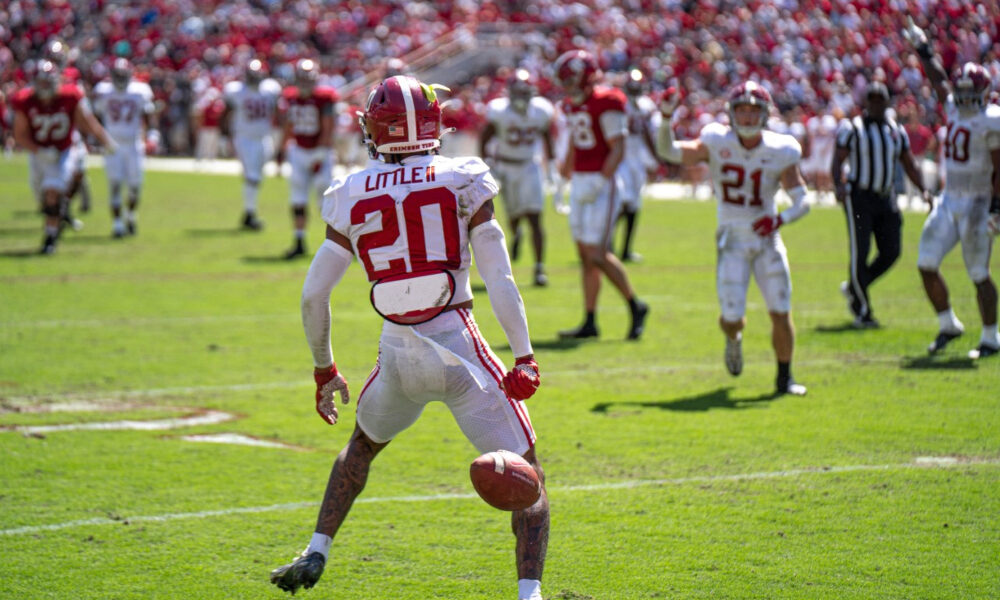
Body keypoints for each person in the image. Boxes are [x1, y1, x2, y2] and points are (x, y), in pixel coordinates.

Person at [269, 75, 548, 600]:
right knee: (527, 479)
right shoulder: (462, 176)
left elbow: (313, 296)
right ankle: (528, 595)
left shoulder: (349, 191)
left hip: (397, 351)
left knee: (360, 449)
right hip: (458, 343)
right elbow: (500, 276)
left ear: (375, 128)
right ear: (433, 122)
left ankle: (316, 548)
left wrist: (324, 369)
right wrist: (525, 355)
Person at [656, 81, 810, 396]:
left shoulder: (781, 149)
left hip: (767, 239)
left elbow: (802, 200)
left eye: (754, 111)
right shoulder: (715, 140)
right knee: (731, 318)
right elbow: (669, 151)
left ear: (765, 114)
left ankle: (784, 378)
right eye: (742, 110)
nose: (748, 117)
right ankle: (733, 338)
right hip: (731, 240)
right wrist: (665, 118)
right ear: (731, 113)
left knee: (780, 310)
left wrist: (780, 218)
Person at [904, 20, 1000, 359]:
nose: (964, 98)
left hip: (977, 202)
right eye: (961, 93)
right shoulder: (954, 107)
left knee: (978, 273)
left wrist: (997, 209)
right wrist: (923, 47)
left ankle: (991, 337)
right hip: (949, 200)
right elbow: (938, 79)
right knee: (926, 262)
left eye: (970, 93)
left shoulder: (992, 119)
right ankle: (948, 324)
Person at [553, 49, 649, 340]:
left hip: (602, 182)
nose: (567, 87)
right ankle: (590, 320)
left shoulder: (608, 102)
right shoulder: (571, 105)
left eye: (571, 80)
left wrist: (600, 180)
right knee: (585, 256)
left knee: (596, 253)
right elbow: (573, 142)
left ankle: (636, 305)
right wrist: (563, 175)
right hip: (581, 180)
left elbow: (617, 148)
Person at [830, 81, 930, 328]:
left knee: (892, 251)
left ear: (887, 103)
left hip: (886, 198)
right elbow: (838, 159)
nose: (875, 104)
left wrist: (924, 190)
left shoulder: (896, 130)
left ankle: (855, 286)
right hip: (860, 198)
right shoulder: (852, 128)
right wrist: (838, 185)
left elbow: (909, 163)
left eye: (879, 100)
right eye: (871, 99)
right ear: (865, 102)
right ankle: (862, 310)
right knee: (860, 252)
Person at [11, 59, 116, 254]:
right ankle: (57, 219)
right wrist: (38, 151)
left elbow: (87, 122)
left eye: (47, 82)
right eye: (41, 82)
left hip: (63, 151)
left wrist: (105, 140)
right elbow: (20, 135)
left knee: (53, 191)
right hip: (38, 154)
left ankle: (50, 237)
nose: (45, 87)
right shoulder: (25, 100)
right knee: (43, 197)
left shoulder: (70, 96)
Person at [479, 68, 557, 287]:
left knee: (535, 217)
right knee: (514, 217)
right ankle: (517, 233)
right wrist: (486, 164)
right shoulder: (500, 111)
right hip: (506, 166)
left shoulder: (540, 110)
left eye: (525, 92)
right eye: (518, 92)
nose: (522, 97)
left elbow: (547, 137)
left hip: (530, 166)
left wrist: (551, 167)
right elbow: (485, 137)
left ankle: (540, 269)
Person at [276, 58, 338, 259]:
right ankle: (299, 241)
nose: (305, 84)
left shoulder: (325, 98)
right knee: (298, 198)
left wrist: (320, 154)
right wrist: (282, 148)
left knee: (326, 199)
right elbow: (289, 125)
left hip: (320, 151)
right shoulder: (291, 97)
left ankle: (341, 244)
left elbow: (328, 126)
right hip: (299, 151)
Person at [92, 58, 156, 238]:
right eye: (117, 75)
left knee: (135, 186)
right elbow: (95, 116)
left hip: (134, 143)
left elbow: (148, 114)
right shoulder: (103, 91)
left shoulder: (140, 91)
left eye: (123, 75)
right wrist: (97, 138)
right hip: (112, 144)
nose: (120, 79)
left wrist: (153, 135)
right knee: (114, 185)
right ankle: (117, 224)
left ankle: (130, 215)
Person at [221, 58, 281, 230]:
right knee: (252, 176)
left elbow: (277, 112)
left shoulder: (270, 89)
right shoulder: (236, 91)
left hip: (264, 137)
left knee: (257, 177)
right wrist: (224, 137)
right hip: (244, 138)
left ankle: (249, 212)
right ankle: (249, 215)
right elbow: (225, 114)